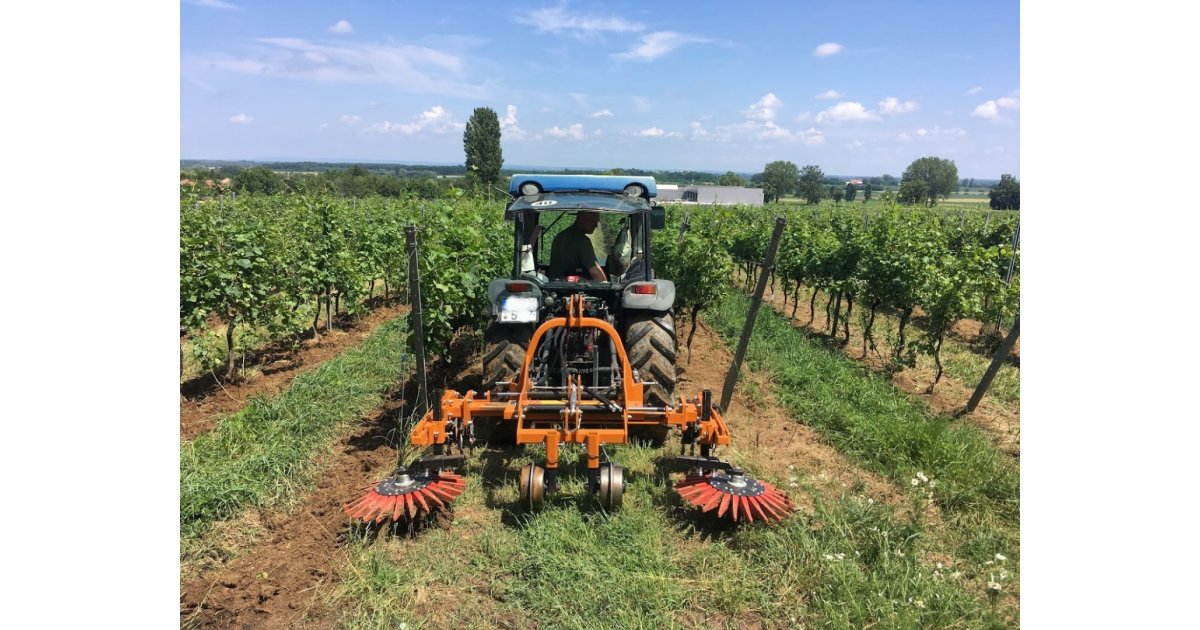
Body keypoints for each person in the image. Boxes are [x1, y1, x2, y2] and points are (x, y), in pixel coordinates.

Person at [548, 211, 607, 282]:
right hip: (573, 286)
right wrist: (605, 286)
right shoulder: (582, 240)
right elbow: (595, 272)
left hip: (553, 284)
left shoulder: (560, 236)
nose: (596, 225)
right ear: (582, 218)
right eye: (594, 221)